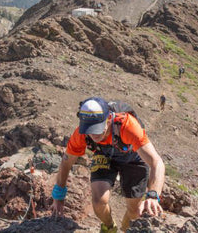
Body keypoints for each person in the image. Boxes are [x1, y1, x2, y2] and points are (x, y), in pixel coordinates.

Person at [51, 97, 165, 232]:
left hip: (134, 159)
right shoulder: (81, 134)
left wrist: (153, 195)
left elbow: (157, 162)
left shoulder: (127, 125)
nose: (93, 134)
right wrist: (58, 196)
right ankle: (109, 227)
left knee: (134, 211)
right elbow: (66, 162)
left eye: (98, 129)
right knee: (99, 202)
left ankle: (125, 229)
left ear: (109, 119)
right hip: (105, 156)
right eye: (89, 129)